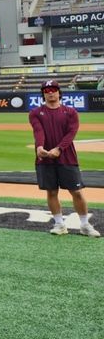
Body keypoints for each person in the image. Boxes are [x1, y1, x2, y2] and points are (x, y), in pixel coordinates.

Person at [30, 79, 99, 237]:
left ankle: (84, 225)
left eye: (53, 90)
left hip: (67, 157)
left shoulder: (70, 112)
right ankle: (59, 224)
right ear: (43, 94)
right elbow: (38, 131)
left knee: (76, 191)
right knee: (51, 192)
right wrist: (40, 147)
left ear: (59, 92)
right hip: (45, 158)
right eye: (47, 91)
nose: (50, 93)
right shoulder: (35, 113)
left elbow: (71, 133)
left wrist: (59, 148)